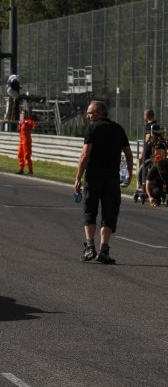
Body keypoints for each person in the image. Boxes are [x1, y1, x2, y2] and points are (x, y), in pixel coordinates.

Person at [74, 100, 133, 264]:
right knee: (109, 214)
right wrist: (129, 172)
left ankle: (90, 248)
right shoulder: (118, 129)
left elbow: (85, 155)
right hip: (112, 180)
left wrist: (78, 177)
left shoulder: (92, 128)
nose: (88, 115)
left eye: (90, 113)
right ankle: (104, 251)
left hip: (94, 178)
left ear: (99, 113)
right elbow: (128, 153)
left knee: (90, 212)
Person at [138, 108, 161, 188]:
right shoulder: (157, 125)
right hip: (156, 150)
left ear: (146, 116)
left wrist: (142, 152)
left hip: (148, 150)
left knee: (142, 165)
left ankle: (140, 184)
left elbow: (147, 139)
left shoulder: (149, 126)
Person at [16, 109, 37, 175]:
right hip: (21, 140)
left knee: (26, 155)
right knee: (19, 154)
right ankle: (21, 169)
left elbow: (34, 125)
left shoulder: (28, 121)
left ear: (27, 114)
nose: (23, 114)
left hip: (26, 140)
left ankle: (30, 170)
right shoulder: (21, 121)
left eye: (24, 113)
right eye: (22, 113)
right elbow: (19, 130)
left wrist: (31, 130)